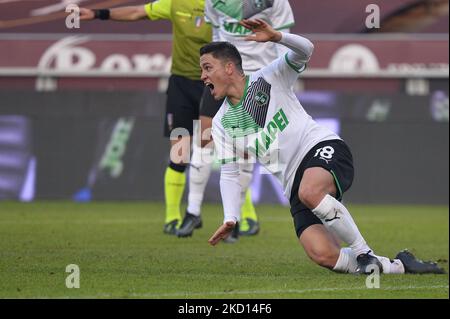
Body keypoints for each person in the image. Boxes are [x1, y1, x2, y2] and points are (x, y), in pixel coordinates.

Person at [201, 19, 445, 274]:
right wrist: (231, 217)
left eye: (207, 68)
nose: (203, 76)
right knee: (324, 255)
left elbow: (306, 50)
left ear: (229, 67)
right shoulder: (221, 123)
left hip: (321, 148)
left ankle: (363, 252)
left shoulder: (269, 78)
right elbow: (230, 173)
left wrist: (277, 37)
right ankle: (399, 266)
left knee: (310, 191)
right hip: (293, 184)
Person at [78, 1, 257, 236]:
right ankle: (173, 216)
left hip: (216, 86)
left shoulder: (223, 5)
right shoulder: (174, 4)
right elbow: (136, 12)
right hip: (181, 86)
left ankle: (246, 217)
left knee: (228, 152)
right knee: (179, 154)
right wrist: (96, 13)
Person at [177, 0, 295, 238]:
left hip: (256, 80)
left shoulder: (276, 2)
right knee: (204, 140)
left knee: (245, 151)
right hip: (221, 78)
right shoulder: (214, 2)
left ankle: (235, 219)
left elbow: (283, 41)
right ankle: (192, 212)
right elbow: (215, 35)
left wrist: (283, 79)